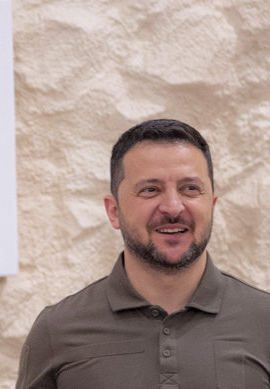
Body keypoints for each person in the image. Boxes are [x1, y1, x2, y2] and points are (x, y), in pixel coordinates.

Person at [16, 119, 270, 388]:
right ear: (114, 211)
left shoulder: (264, 321)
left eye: (190, 189)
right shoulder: (56, 330)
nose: (173, 207)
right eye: (150, 190)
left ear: (212, 205)